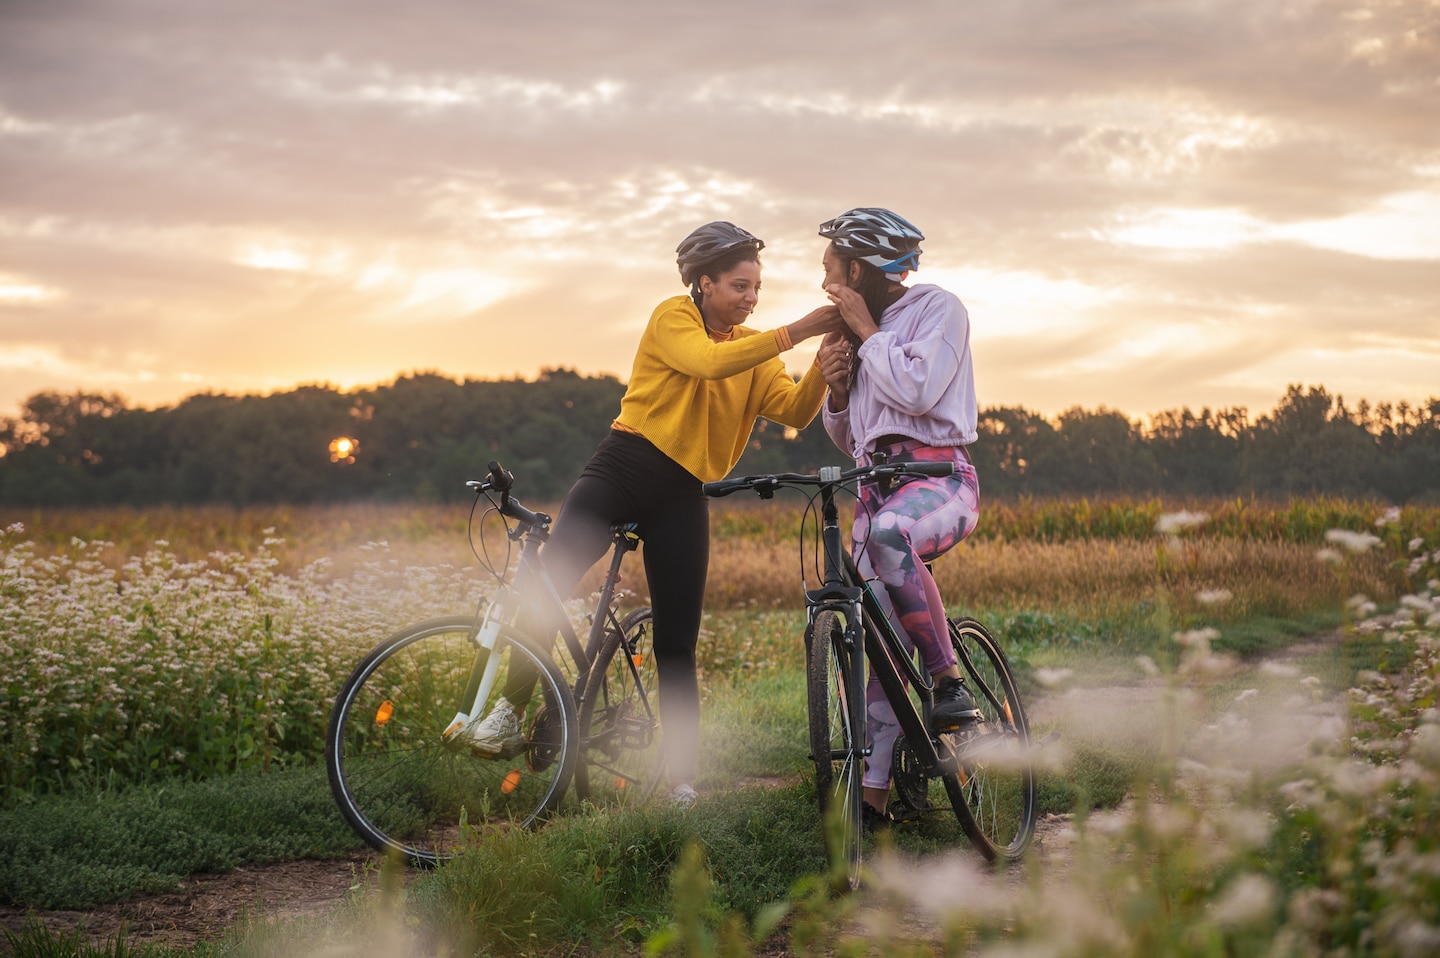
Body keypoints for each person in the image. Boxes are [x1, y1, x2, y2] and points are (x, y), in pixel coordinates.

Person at [465, 221, 843, 806]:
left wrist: (825, 357)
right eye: (739, 286)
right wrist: (799, 330)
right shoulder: (674, 317)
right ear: (705, 282)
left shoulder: (756, 351)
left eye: (756, 288)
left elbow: (794, 408)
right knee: (548, 588)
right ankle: (511, 711)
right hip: (620, 471)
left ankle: (682, 783)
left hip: (682, 494)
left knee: (676, 644)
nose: (750, 298)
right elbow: (705, 364)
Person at [814, 207, 983, 832]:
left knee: (890, 537)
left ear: (857, 269)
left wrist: (866, 330)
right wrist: (836, 394)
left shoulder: (938, 309)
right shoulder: (851, 335)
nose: (824, 281)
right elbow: (854, 436)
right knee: (869, 634)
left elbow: (916, 392)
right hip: (873, 485)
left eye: (830, 269)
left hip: (939, 482)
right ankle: (873, 800)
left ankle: (947, 683)